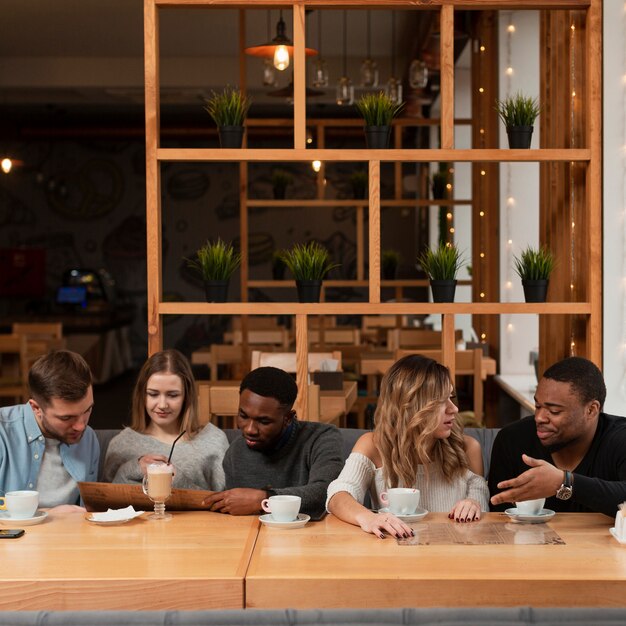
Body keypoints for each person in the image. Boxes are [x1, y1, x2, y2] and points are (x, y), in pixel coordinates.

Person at [326, 354, 489, 539]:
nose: (454, 409)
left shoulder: (467, 448)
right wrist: (368, 518)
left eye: (451, 397)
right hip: (394, 557)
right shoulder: (373, 445)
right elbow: (338, 496)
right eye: (441, 401)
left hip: (451, 556)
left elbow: (481, 506)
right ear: (411, 406)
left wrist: (473, 504)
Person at [489, 356, 626, 518]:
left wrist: (564, 482)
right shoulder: (512, 439)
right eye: (537, 406)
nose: (539, 417)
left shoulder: (619, 438)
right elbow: (498, 518)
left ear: (591, 410)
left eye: (554, 411)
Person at [203, 366, 344, 518]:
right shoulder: (235, 453)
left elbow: (327, 493)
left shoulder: (321, 438)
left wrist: (264, 499)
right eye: (243, 416)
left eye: (263, 421)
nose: (250, 429)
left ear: (288, 419)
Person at [103, 349, 228, 490]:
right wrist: (130, 470)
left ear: (187, 396)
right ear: (142, 395)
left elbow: (225, 502)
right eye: (153, 394)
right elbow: (106, 504)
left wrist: (181, 483)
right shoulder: (121, 444)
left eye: (173, 395)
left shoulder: (213, 441)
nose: (162, 405)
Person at [0, 350, 99, 507]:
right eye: (66, 418)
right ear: (36, 408)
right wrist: (50, 516)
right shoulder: (3, 433)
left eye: (87, 410)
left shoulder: (89, 439)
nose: (81, 426)